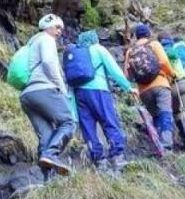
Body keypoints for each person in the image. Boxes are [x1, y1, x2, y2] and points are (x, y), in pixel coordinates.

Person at [20, 14, 76, 177]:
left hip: (27, 95)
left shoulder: (32, 43)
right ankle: (51, 154)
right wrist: (62, 89)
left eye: (61, 29)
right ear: (47, 26)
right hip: (43, 89)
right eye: (57, 27)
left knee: (46, 136)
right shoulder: (46, 39)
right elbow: (48, 63)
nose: (59, 31)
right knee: (68, 122)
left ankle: (47, 180)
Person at [71, 30, 136, 170]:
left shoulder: (76, 52)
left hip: (79, 93)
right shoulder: (99, 49)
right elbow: (114, 70)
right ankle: (116, 155)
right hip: (98, 89)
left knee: (88, 126)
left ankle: (98, 159)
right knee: (108, 120)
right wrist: (128, 87)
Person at [125, 24, 175, 151]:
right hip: (160, 83)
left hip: (144, 90)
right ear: (148, 34)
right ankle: (166, 143)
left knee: (156, 115)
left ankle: (158, 144)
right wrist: (172, 74)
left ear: (136, 36)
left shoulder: (130, 51)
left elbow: (127, 75)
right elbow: (164, 62)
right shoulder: (154, 45)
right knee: (165, 112)